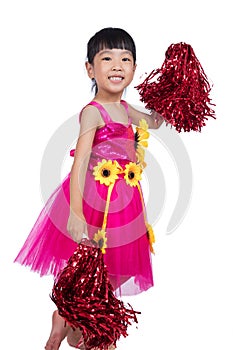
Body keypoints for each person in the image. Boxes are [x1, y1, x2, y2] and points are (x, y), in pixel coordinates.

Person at [14, 27, 164, 349]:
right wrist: (77, 212)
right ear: (90, 69)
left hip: (124, 201)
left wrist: (171, 92)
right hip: (94, 196)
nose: (116, 65)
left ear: (134, 69)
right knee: (89, 263)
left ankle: (74, 319)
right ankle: (77, 320)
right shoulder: (93, 113)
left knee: (114, 267)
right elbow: (80, 162)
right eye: (106, 58)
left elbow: (154, 122)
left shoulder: (126, 110)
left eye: (125, 59)